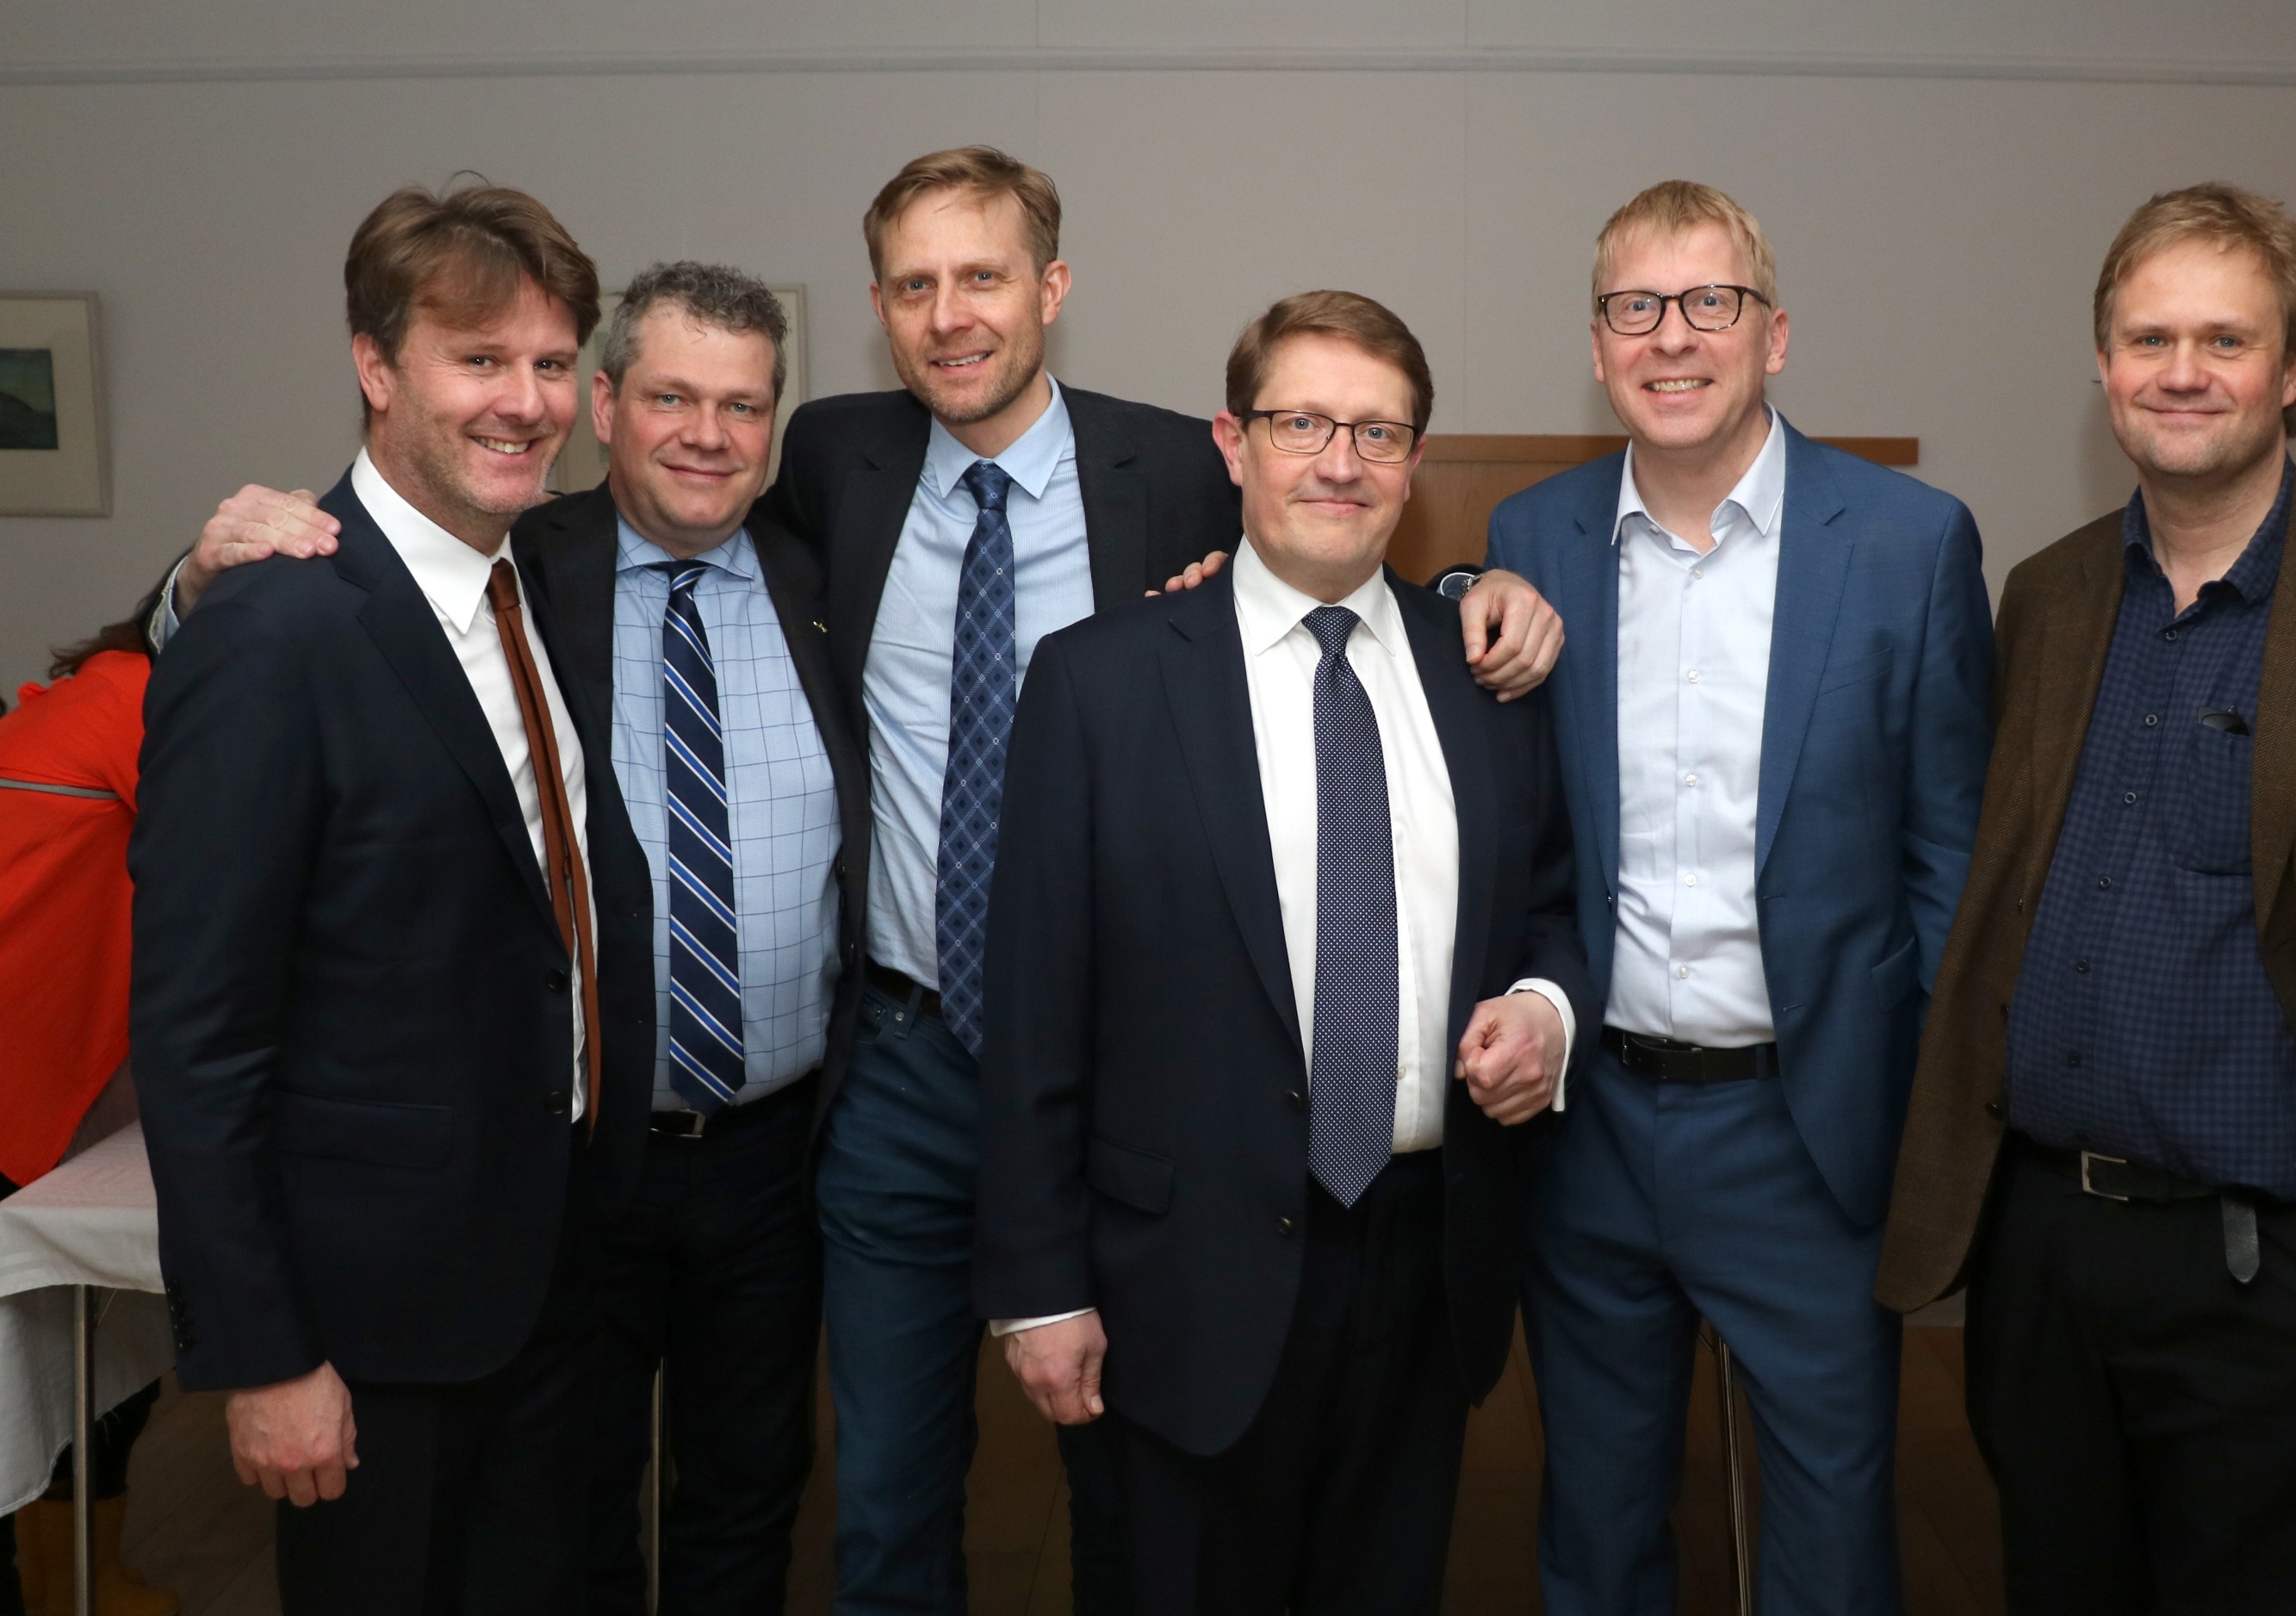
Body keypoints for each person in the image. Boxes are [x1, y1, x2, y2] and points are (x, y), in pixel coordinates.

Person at [168, 144, 1566, 1616]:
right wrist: (198, 585)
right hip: (881, 1070)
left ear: (1051, 289)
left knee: (1140, 1476)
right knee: (872, 1492)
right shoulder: (803, 477)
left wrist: (1473, 591)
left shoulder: (1179, 469)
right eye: (912, 284)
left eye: (982, 276)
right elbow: (352, 628)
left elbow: (1336, 565)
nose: (949, 314)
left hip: (1126, 1085)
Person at [1879, 183, 2296, 1615]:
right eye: (2147, 339)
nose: (2179, 371)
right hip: (2043, 1256)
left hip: (2282, 1268)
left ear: (2292, 369)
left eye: (2222, 340)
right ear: (2102, 367)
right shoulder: (2047, 598)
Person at [974, 290, 1591, 1616]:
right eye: (1300, 422)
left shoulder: (1483, 678)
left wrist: (1546, 1006)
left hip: (1424, 1262)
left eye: (1377, 432)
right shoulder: (1099, 681)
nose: (1338, 461)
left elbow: (1551, 903)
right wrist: (1035, 1287)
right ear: (1232, 442)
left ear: (1413, 462)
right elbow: (1031, 1005)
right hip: (1181, 1276)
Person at [127, 180, 658, 1614]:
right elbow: (197, 1036)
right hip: (371, 1332)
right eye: (478, 359)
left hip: (547, 1268)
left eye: (551, 363)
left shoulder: (527, 585)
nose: (526, 402)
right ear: (375, 366)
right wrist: (264, 1354)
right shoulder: (275, 631)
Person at [1483, 181, 1992, 1616]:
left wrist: (1912, 1105)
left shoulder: (1905, 542)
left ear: (1772, 335)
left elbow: (1949, 858)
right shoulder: (1532, 538)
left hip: (1806, 1134)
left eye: (1708, 302)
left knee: (1828, 1540)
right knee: (1594, 1525)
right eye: (1634, 307)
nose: (1671, 337)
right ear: (1595, 347)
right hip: (1589, 1132)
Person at [512, 264, 865, 1613]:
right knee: (568, 1497)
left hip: (774, 1157)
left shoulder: (827, 578)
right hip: (577, 1152)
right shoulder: (516, 572)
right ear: (605, 405)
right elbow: (336, 593)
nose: (708, 436)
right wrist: (200, 575)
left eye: (742, 405)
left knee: (748, 1489)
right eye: (672, 398)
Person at [0, 600, 179, 1616]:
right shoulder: (144, 708)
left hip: (49, 1060)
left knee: (85, 1337)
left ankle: (74, 1578)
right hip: (22, 1056)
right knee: (52, 1348)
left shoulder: (103, 688)